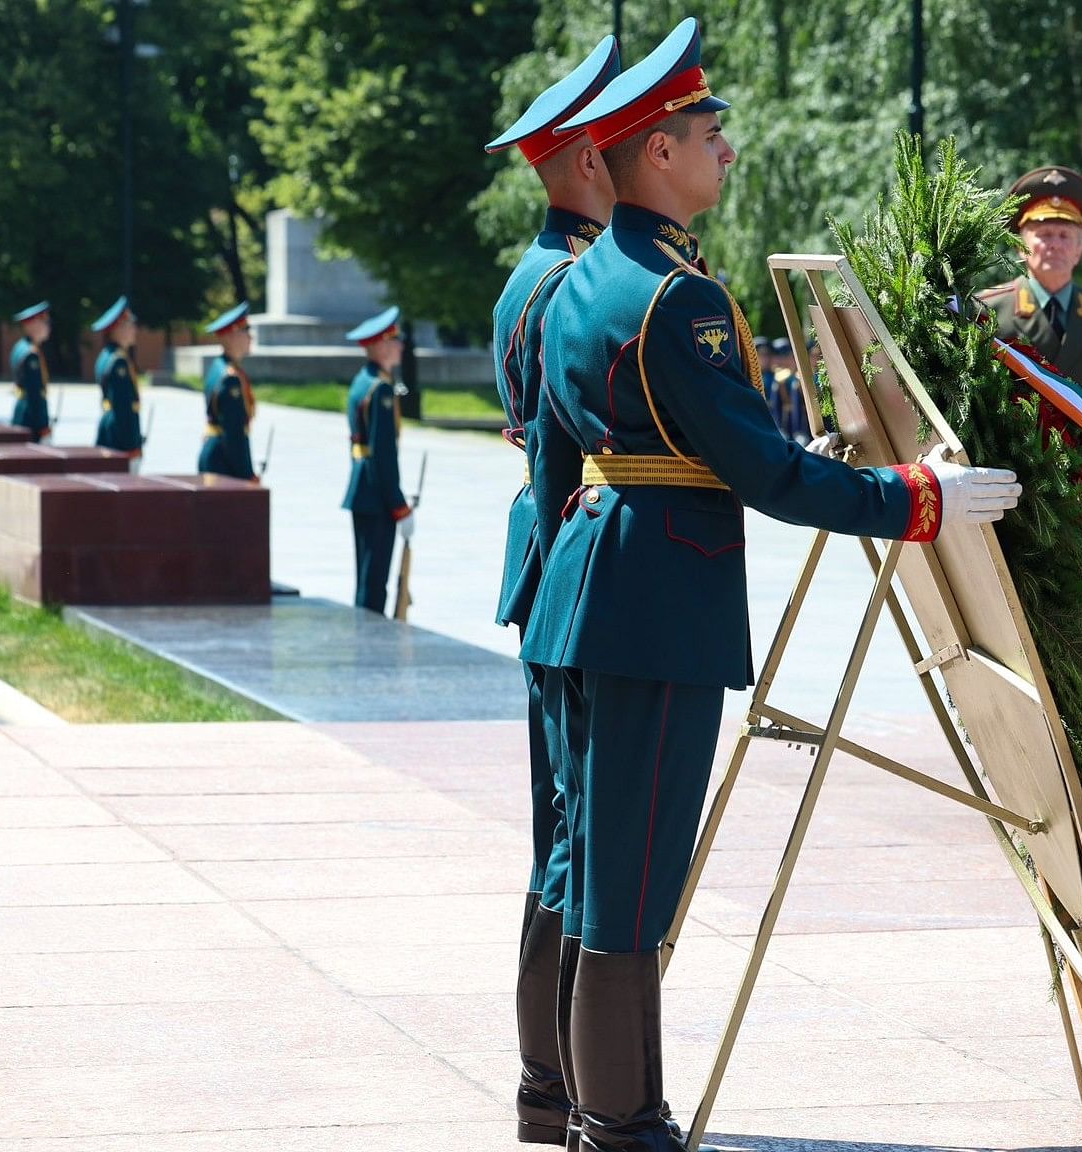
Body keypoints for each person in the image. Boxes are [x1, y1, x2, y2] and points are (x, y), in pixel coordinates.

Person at [519, 21, 1020, 1150]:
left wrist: (562, 582)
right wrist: (914, 498)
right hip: (656, 605)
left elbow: (554, 462)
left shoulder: (583, 279)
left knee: (598, 863)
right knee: (634, 878)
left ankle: (580, 1106)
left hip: (587, 594)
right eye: (706, 134)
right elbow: (764, 473)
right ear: (655, 153)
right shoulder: (675, 298)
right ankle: (619, 1121)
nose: (723, 153)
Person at [482, 34, 622, 1147]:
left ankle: (548, 1083)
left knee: (562, 832)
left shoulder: (536, 271)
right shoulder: (573, 277)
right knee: (578, 837)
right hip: (577, 570)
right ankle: (567, 1084)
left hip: (548, 568)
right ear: (584, 159)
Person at [976, 165, 1082, 453]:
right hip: (1012, 473)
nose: (1055, 245)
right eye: (1045, 234)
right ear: (1020, 246)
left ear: (1080, 250)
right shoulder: (987, 311)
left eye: (1065, 236)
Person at [340, 307, 413, 614]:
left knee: (367, 579)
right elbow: (383, 456)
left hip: (363, 489)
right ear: (382, 344)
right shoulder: (380, 388)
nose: (401, 347)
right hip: (376, 494)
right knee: (374, 584)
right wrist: (399, 505)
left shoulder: (363, 380)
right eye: (395, 340)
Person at [195, 303, 258, 480]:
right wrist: (247, 475)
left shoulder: (219, 367)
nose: (250, 338)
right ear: (231, 336)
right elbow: (234, 433)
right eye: (245, 331)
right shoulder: (230, 379)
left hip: (216, 455)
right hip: (224, 462)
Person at [91, 297, 144, 459]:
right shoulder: (119, 361)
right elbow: (123, 406)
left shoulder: (107, 355)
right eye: (130, 325)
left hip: (110, 426)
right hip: (119, 432)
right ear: (117, 328)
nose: (134, 330)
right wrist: (131, 444)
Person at [8, 302, 52, 442]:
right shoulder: (31, 354)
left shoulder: (20, 347)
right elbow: (35, 393)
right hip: (31, 417)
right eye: (44, 322)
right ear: (32, 324)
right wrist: (43, 425)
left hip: (22, 411)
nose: (48, 327)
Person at [764, 336, 811, 443]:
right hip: (786, 422)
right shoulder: (779, 378)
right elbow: (776, 406)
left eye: (787, 356)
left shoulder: (796, 376)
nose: (781, 360)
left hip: (804, 423)